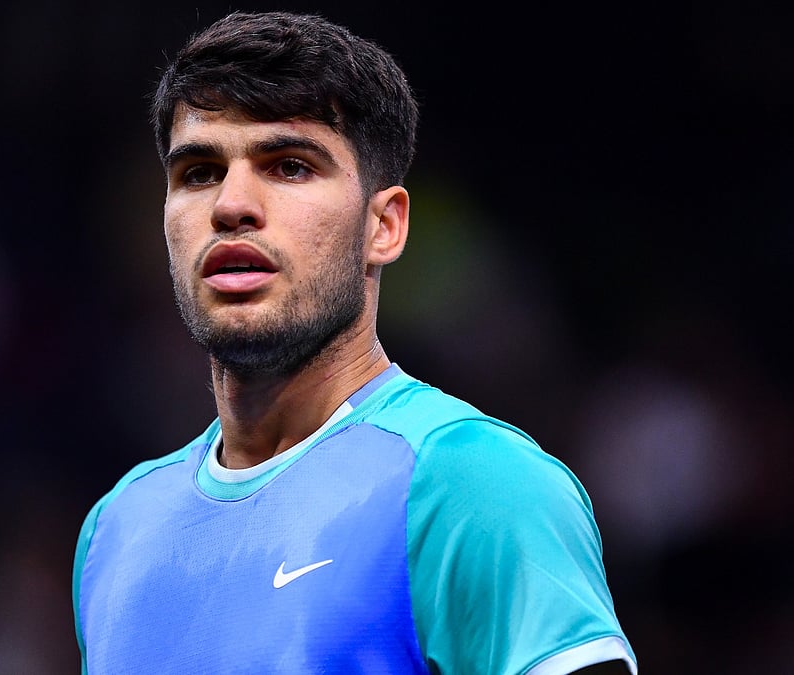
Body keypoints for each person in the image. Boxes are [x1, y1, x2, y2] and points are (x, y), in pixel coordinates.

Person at [72, 10, 637, 674]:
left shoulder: (473, 483)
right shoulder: (117, 527)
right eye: (198, 172)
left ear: (385, 226)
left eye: (287, 165)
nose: (231, 205)